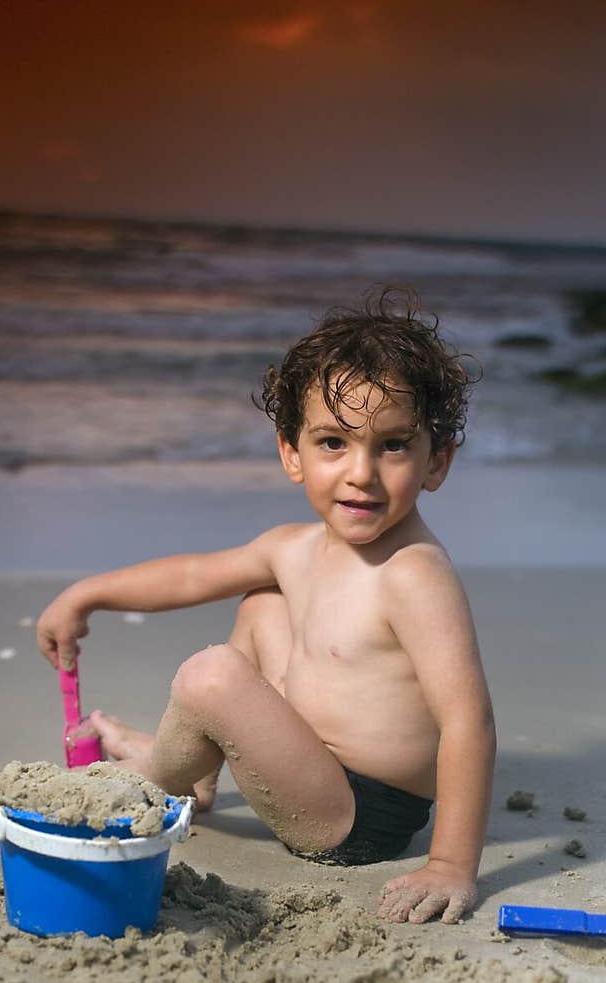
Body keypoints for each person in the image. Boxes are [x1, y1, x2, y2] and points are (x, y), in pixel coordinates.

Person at [36, 287, 496, 925]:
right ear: (291, 453)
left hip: (355, 819)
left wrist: (450, 863)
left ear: (436, 462)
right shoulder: (296, 548)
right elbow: (195, 575)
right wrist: (87, 594)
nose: (361, 472)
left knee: (210, 676)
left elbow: (468, 721)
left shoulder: (413, 573)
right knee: (263, 604)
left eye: (393, 446)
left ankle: (157, 773)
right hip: (309, 760)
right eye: (334, 443)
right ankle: (194, 770)